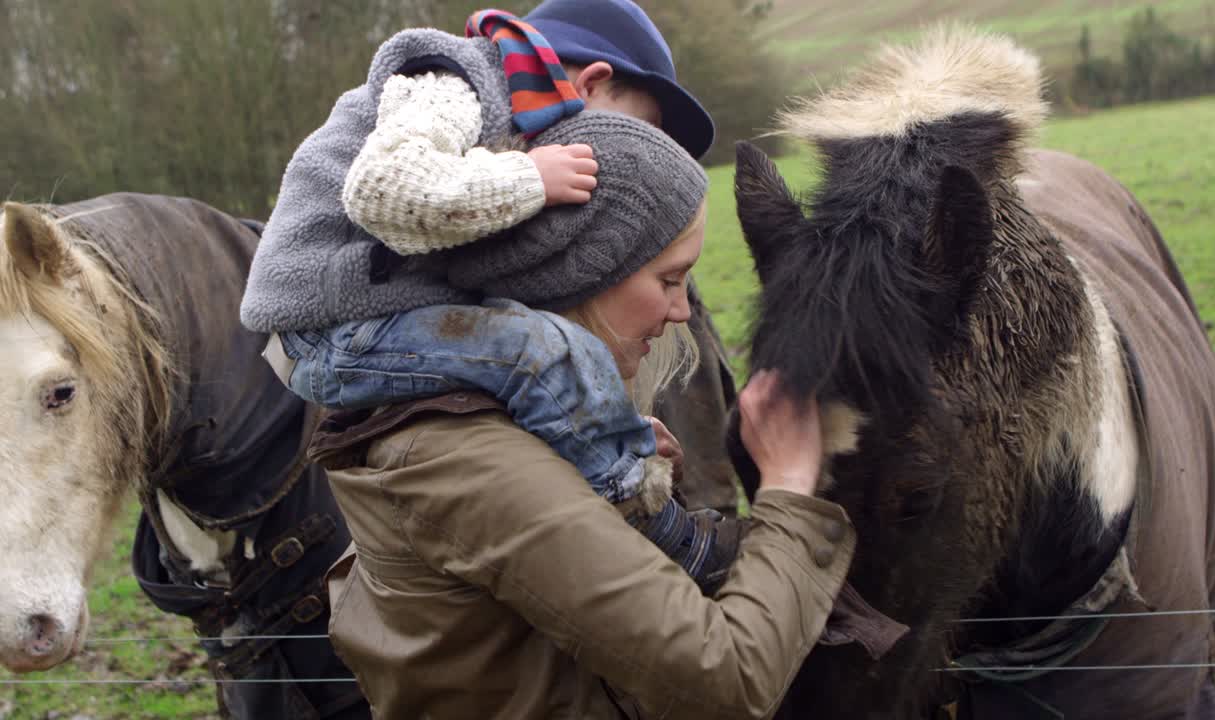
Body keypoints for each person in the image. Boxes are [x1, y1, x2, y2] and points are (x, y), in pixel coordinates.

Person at [308, 111, 855, 720]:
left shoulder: (491, 420)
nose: (681, 311)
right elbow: (725, 679)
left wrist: (598, 489)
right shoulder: (471, 456)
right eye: (670, 280)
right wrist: (787, 489)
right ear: (583, 273)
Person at [240, 0, 739, 592]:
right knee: (535, 349)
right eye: (640, 129)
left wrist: (609, 419)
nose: (640, 154)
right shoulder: (451, 82)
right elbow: (384, 189)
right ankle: (652, 520)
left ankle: (613, 460)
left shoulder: (499, 117)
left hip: (362, 313)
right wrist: (533, 177)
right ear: (593, 83)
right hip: (324, 327)